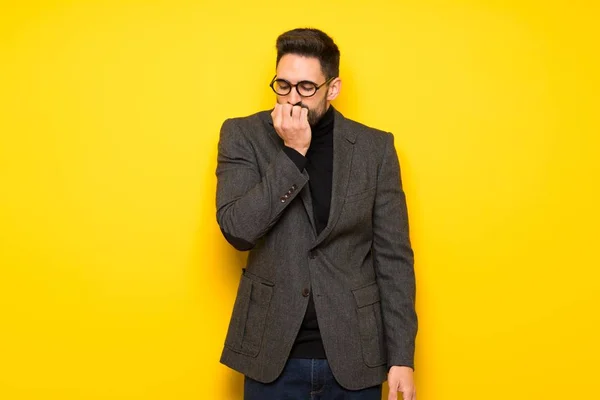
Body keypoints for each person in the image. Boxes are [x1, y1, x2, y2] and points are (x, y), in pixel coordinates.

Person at [215, 28, 417, 400]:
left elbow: (394, 260)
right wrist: (293, 153)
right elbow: (237, 229)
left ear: (333, 88)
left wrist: (402, 357)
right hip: (270, 352)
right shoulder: (242, 135)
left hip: (355, 355)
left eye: (306, 87)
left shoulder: (375, 149)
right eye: (283, 85)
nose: (292, 98)